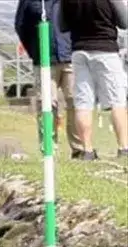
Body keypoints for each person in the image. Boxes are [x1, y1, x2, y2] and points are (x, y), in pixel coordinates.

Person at [14, 0, 87, 156]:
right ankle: (49, 147)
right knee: (47, 103)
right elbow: (21, 26)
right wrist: (35, 50)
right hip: (44, 60)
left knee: (76, 101)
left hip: (70, 57)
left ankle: (79, 148)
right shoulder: (29, 2)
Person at [58, 0, 128, 159]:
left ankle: (87, 150)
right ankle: (124, 148)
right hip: (105, 50)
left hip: (79, 51)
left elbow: (63, 26)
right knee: (117, 100)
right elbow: (124, 22)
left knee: (83, 102)